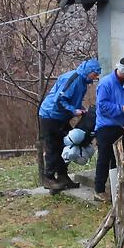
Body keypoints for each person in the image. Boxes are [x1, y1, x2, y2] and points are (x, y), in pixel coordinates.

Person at [38, 58, 101, 191]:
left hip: (61, 117)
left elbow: (72, 99)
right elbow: (60, 100)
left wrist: (79, 109)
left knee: (67, 143)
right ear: (89, 71)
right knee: (53, 146)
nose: (96, 77)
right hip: (51, 115)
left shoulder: (82, 81)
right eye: (95, 74)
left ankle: (62, 176)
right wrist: (73, 110)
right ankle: (48, 178)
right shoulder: (74, 79)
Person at [93, 56, 124, 202]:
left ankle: (117, 188)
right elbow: (102, 106)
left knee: (118, 159)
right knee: (104, 158)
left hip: (120, 127)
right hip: (105, 127)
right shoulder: (106, 83)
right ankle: (99, 190)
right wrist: (121, 109)